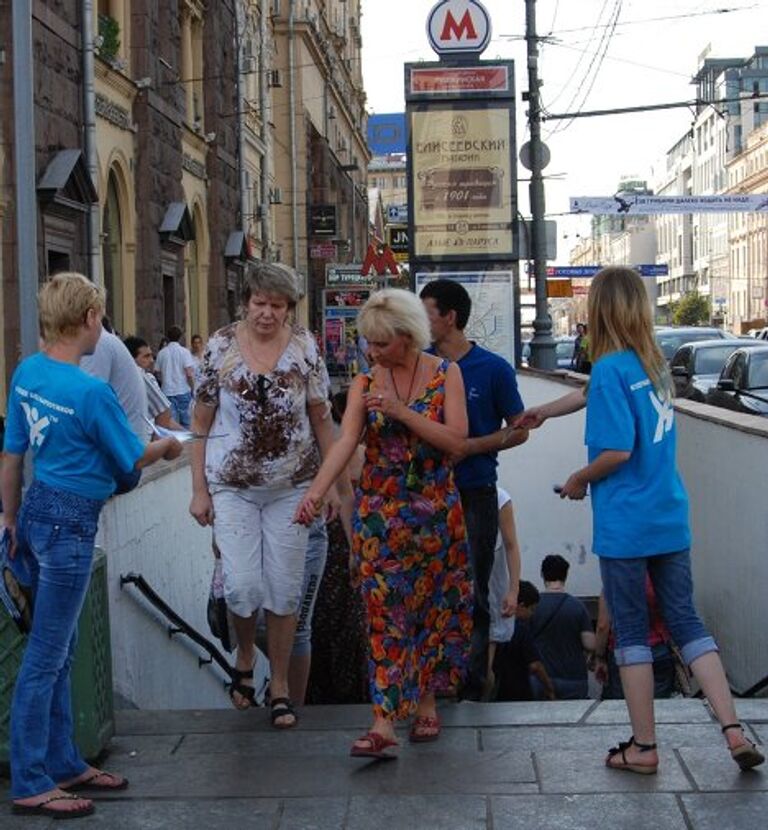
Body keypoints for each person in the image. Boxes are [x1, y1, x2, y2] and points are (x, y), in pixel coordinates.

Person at [514, 265, 764, 774]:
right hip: (668, 516)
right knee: (687, 624)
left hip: (626, 524)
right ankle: (733, 730)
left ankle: (644, 749)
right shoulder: (652, 365)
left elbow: (616, 452)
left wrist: (580, 478)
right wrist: (544, 413)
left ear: (601, 310)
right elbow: (589, 394)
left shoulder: (609, 369)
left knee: (630, 634)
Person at [1, 273, 181, 819]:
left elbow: (11, 456)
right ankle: (32, 777)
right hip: (71, 524)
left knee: (61, 649)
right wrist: (170, 447)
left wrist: (10, 521)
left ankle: (63, 762)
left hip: (34, 512)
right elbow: (131, 457)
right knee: (47, 657)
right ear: (89, 320)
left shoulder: (28, 371)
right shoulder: (90, 391)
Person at [295, 288, 473, 758]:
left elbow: (456, 442)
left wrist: (401, 413)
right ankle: (384, 721)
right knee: (382, 617)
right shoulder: (363, 384)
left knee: (432, 611)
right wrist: (317, 493)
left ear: (408, 336)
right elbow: (344, 442)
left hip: (435, 516)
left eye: (381, 343)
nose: (372, 352)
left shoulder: (446, 375)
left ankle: (428, 701)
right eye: (368, 344)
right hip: (381, 518)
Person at [189, 262, 336, 729]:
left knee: (284, 588)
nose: (267, 314)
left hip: (293, 485)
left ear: (289, 308)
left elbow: (320, 418)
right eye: (259, 303)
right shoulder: (219, 346)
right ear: (246, 301)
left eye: (277, 305)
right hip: (231, 485)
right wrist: (198, 489)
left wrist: (329, 483)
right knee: (242, 585)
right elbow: (200, 422)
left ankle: (279, 686)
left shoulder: (305, 348)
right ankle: (246, 659)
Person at [420, 278, 528, 700]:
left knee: (472, 589)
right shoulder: (419, 365)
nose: (422, 321)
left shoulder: (493, 369)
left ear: (450, 317)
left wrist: (470, 447)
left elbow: (519, 431)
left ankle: (471, 682)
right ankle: (432, 679)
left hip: (475, 491)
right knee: (427, 586)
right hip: (425, 494)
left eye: (427, 313)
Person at [305, 391, 369, 706]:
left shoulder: (345, 449)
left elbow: (348, 494)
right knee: (337, 623)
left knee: (328, 622)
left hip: (334, 539)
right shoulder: (351, 449)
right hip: (335, 540)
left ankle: (324, 692)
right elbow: (351, 494)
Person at [595, 578, 676, 700]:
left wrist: (599, 657)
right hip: (658, 649)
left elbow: (603, 625)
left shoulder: (614, 580)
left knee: (622, 706)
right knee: (659, 705)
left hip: (623, 651)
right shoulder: (660, 577)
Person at [529, 554, 595, 700]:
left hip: (539, 680)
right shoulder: (578, 607)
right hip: (574, 680)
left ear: (542, 575)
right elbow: (590, 643)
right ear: (565, 575)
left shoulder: (532, 606)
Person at [492, 581, 556, 702]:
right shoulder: (521, 629)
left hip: (496, 692)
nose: (532, 614)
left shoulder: (495, 626)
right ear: (520, 606)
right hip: (518, 691)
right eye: (531, 609)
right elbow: (535, 665)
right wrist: (548, 687)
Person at [485, 486, 521, 697]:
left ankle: (480, 703)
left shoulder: (498, 497)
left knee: (483, 665)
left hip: (490, 591)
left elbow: (511, 545)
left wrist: (513, 590)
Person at [123, 336, 182, 432]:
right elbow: (163, 414)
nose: (151, 360)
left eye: (151, 356)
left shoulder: (147, 377)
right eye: (146, 356)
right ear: (131, 359)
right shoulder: (139, 377)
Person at [155, 325, 196, 428]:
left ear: (167, 337)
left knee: (171, 424)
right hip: (183, 390)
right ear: (180, 336)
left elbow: (157, 372)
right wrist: (193, 388)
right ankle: (187, 444)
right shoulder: (185, 352)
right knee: (187, 423)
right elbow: (189, 374)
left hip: (167, 391)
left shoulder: (161, 353)